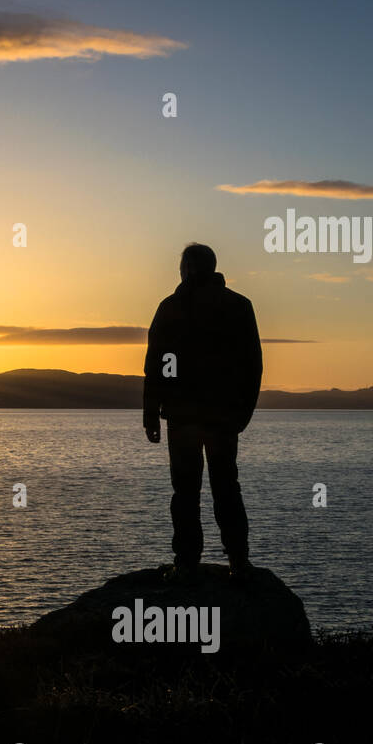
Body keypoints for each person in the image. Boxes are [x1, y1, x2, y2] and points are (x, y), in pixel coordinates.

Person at [143, 243, 262, 581]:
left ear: (188, 269)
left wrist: (152, 411)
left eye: (187, 266)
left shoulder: (172, 308)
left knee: (189, 492)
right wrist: (242, 412)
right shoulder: (236, 306)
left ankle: (188, 564)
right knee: (223, 488)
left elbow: (157, 366)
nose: (187, 271)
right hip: (217, 416)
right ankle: (236, 563)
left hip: (190, 416)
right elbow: (251, 366)